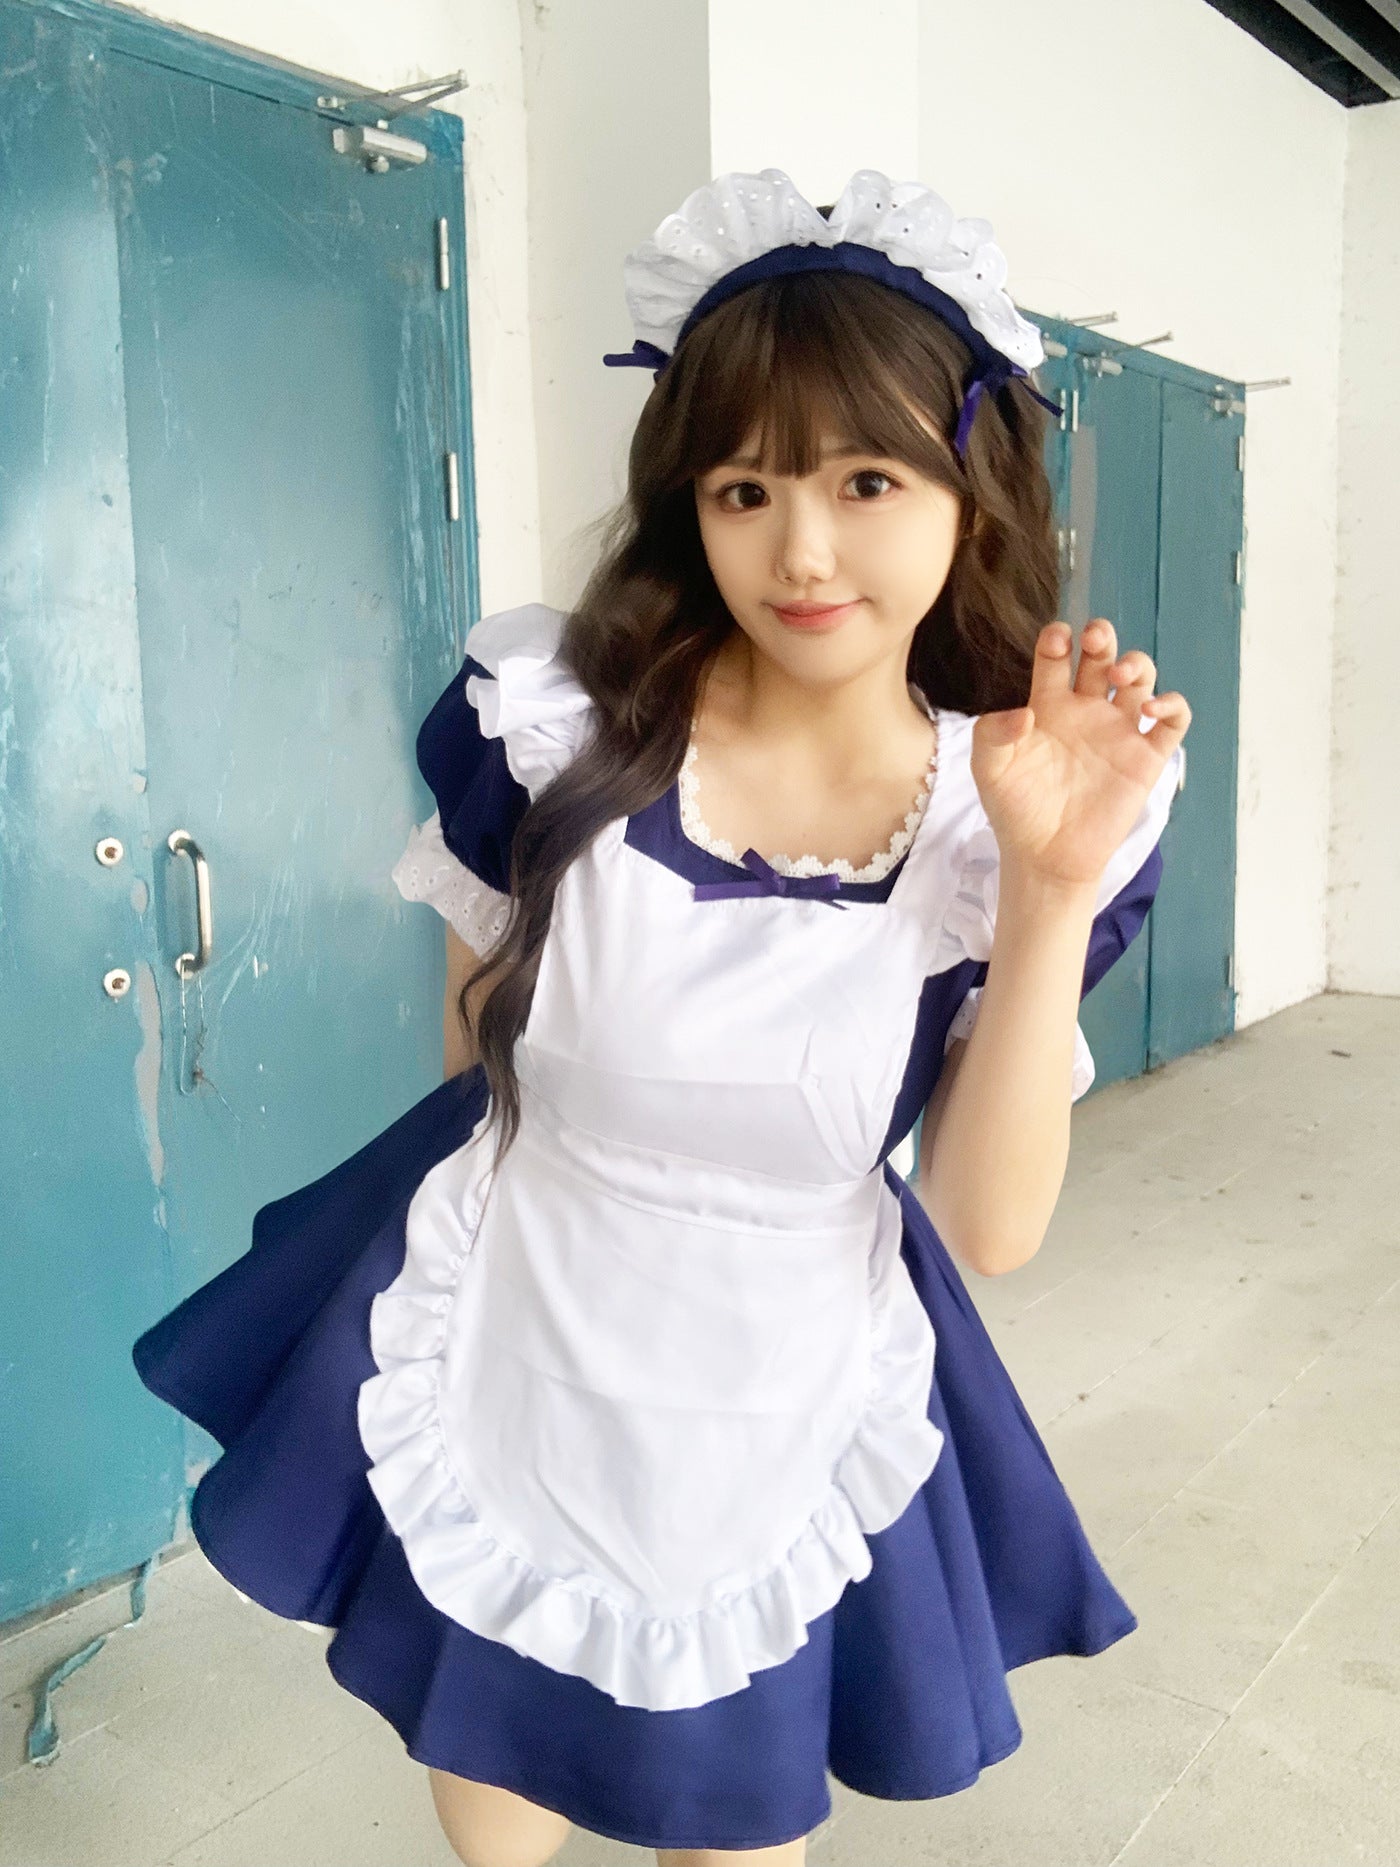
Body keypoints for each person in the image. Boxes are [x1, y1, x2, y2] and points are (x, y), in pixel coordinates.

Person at [133, 167, 1191, 1867]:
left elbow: (989, 1230)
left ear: (970, 494)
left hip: (781, 1379)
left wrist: (1053, 884)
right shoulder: (556, 727)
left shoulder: (1005, 815)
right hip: (523, 1333)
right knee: (499, 1810)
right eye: (744, 487)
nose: (803, 550)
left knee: (730, 1825)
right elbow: (477, 1058)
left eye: (865, 480)